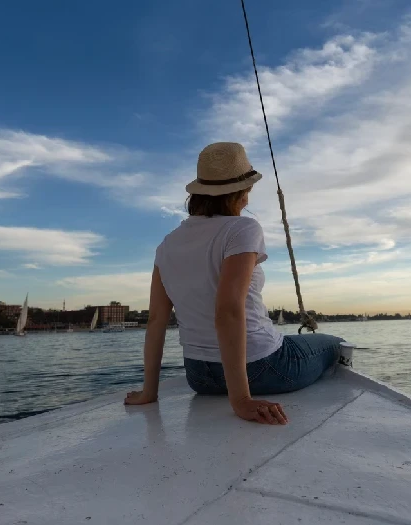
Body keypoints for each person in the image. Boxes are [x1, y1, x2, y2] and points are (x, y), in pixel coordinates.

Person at [124, 142, 346, 425]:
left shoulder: (166, 245)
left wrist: (149, 392)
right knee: (333, 344)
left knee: (292, 340)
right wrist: (241, 400)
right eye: (247, 191)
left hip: (200, 376)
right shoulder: (242, 229)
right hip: (262, 367)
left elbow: (156, 320)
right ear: (241, 192)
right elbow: (228, 309)